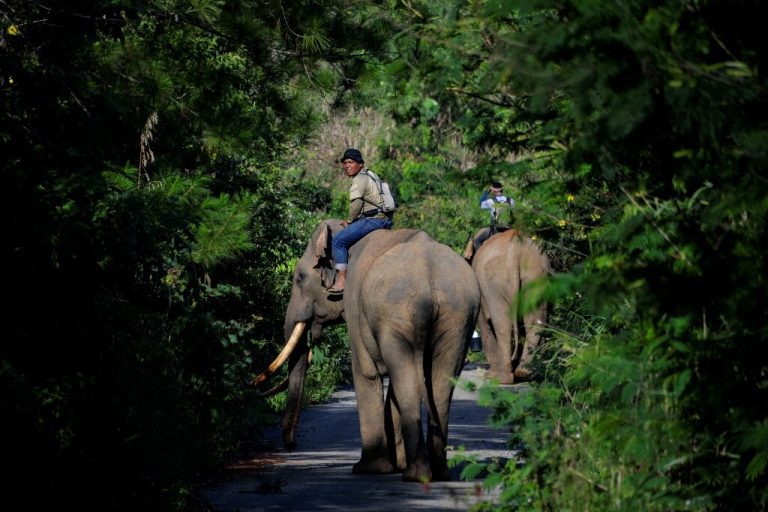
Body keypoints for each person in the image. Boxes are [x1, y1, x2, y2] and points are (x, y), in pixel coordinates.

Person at [328, 148, 394, 295]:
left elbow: (356, 204)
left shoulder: (359, 179)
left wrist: (350, 222)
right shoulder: (372, 176)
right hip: (386, 220)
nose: (346, 166)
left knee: (339, 241)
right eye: (344, 163)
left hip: (373, 220)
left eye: (350, 162)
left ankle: (341, 280)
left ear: (360, 164)